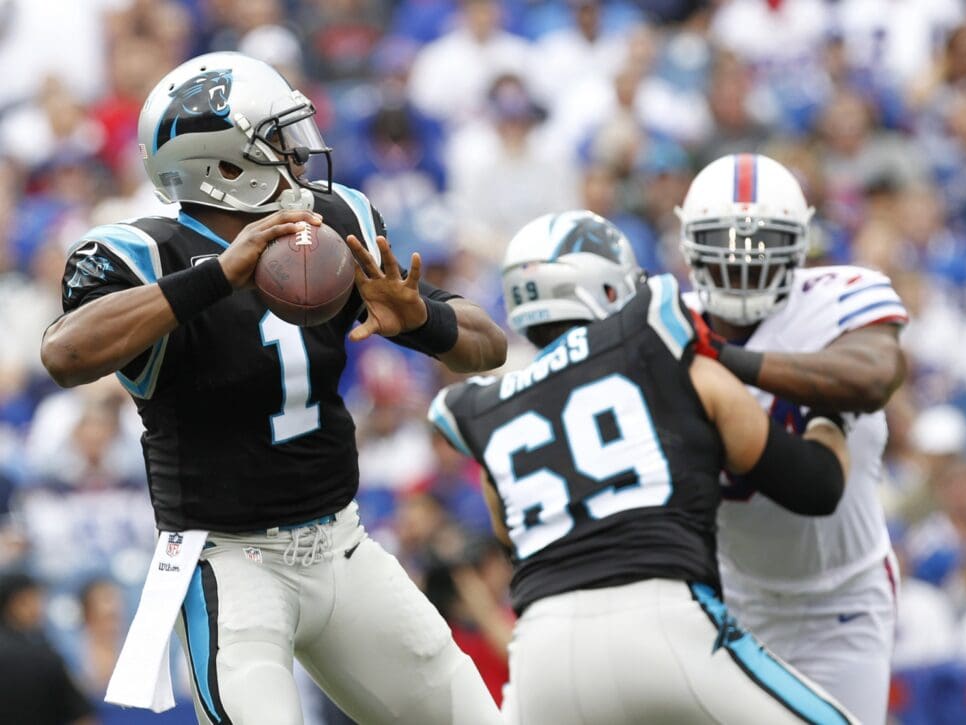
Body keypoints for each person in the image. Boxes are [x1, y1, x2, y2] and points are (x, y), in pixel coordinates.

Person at [39, 52, 507, 725]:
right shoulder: (143, 253)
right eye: (277, 139)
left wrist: (422, 319)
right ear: (223, 166)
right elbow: (65, 352)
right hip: (230, 564)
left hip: (344, 548)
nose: (298, 155)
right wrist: (217, 276)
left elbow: (486, 343)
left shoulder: (330, 217)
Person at [429, 210, 858, 724]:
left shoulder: (489, 409)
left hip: (542, 652)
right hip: (664, 622)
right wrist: (834, 413)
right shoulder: (662, 352)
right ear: (610, 287)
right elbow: (815, 486)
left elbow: (512, 544)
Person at [676, 153, 908, 725]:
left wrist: (725, 359)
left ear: (800, 245)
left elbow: (875, 376)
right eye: (723, 243)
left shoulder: (839, 295)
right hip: (729, 593)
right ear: (690, 246)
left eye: (760, 245)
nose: (741, 259)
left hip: (843, 599)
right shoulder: (669, 315)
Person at [0, 572, 96, 725]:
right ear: (17, 603)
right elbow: (83, 718)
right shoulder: (44, 657)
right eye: (34, 600)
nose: (39, 608)